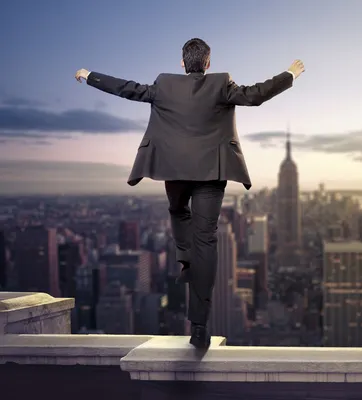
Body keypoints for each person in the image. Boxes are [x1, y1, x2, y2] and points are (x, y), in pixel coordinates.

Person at [75, 38, 305, 349]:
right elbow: (255, 95)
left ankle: (185, 259)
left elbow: (126, 88)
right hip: (213, 172)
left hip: (176, 171)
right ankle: (199, 327)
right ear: (208, 63)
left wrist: (90, 76)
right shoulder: (222, 83)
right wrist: (289, 74)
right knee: (206, 240)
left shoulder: (165, 84)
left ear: (182, 64)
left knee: (177, 211)